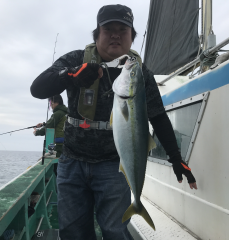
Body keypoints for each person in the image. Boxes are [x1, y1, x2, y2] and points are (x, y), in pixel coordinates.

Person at [30, 4, 197, 240]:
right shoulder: (76, 59)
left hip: (114, 165)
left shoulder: (139, 73)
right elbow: (37, 88)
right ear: (97, 34)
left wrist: (176, 158)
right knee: (73, 233)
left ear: (131, 38)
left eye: (123, 30)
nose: (116, 35)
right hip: (72, 162)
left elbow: (158, 117)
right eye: (109, 29)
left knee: (115, 231)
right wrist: (70, 75)